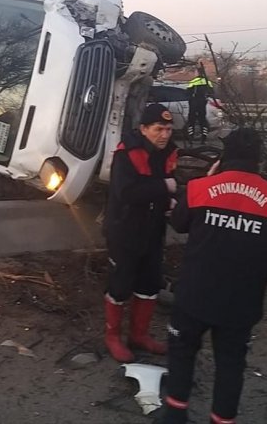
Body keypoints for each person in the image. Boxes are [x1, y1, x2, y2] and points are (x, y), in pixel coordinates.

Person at [157, 128, 267, 424]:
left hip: (194, 297)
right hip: (241, 305)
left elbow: (179, 223)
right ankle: (222, 420)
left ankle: (175, 413)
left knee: (182, 353)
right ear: (258, 161)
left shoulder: (201, 188)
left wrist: (211, 180)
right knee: (231, 364)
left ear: (224, 157)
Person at [103, 103, 180, 362]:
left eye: (169, 129)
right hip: (125, 231)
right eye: (159, 129)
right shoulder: (126, 154)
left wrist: (171, 202)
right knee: (120, 284)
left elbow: (168, 188)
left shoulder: (168, 152)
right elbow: (126, 193)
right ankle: (113, 337)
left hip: (153, 229)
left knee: (149, 283)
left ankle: (139, 335)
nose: (165, 135)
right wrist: (163, 187)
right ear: (144, 129)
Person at [186, 64, 214, 144]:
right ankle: (204, 138)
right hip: (203, 102)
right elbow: (211, 92)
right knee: (203, 120)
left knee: (191, 120)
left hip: (194, 102)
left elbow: (187, 92)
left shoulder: (194, 81)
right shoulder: (208, 82)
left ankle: (190, 138)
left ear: (198, 72)